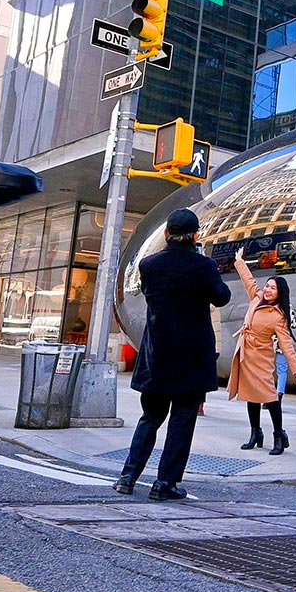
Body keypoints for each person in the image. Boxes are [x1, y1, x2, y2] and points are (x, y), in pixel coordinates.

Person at [115, 208, 233, 500]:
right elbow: (222, 297)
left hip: (158, 354)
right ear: (195, 236)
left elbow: (150, 292)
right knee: (182, 421)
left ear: (166, 233)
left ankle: (128, 477)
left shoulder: (149, 265)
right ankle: (165, 483)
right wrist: (207, 268)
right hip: (191, 357)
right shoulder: (203, 267)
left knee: (150, 417)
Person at [229, 257, 296, 455]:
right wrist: (240, 261)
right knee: (250, 396)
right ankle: (256, 433)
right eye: (268, 286)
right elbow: (249, 280)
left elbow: (286, 344)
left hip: (262, 358)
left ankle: (279, 436)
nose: (268, 290)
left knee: (270, 398)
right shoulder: (257, 297)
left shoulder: (278, 315)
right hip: (246, 353)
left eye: (273, 288)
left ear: (280, 293)